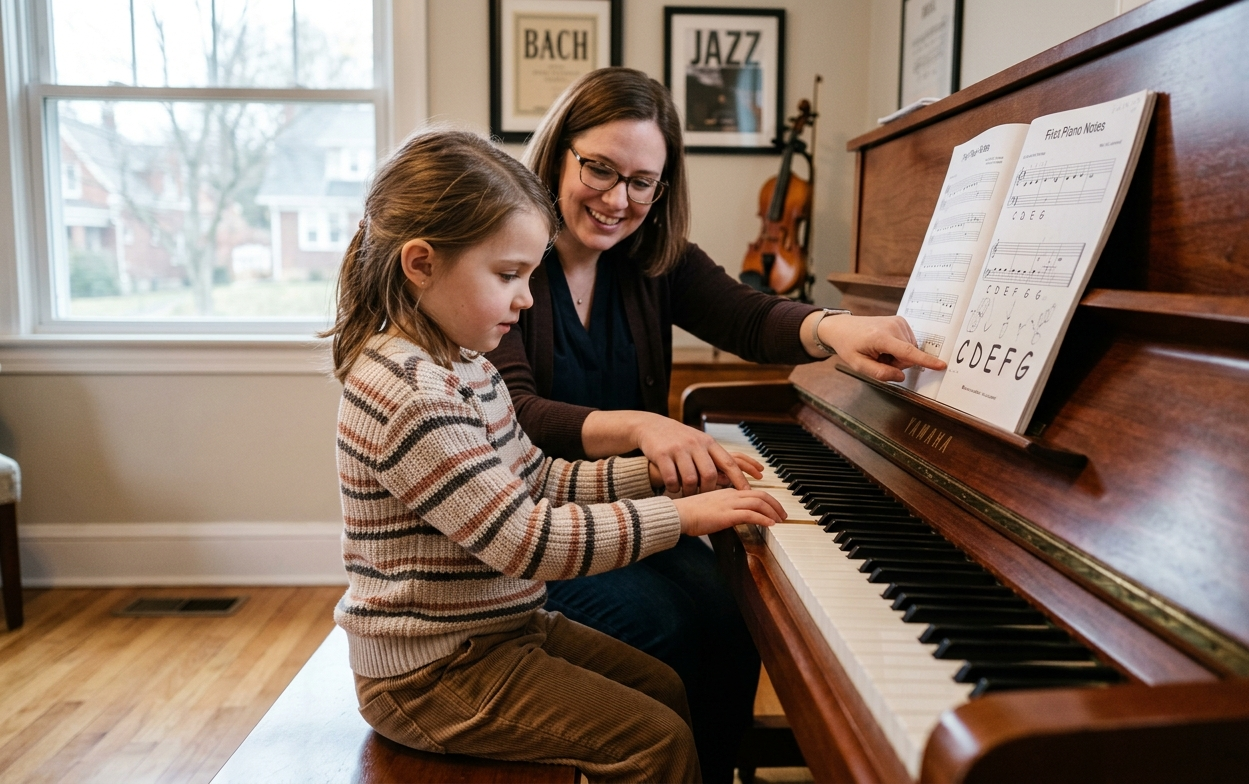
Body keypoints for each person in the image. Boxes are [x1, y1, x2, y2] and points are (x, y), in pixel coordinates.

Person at [486, 67, 946, 782]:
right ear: (555, 153)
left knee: (733, 606)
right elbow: (519, 416)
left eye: (643, 181)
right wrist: (643, 426)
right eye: (599, 170)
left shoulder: (654, 260)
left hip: (630, 503)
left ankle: (712, 770)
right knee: (662, 626)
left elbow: (748, 315)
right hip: (535, 525)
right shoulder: (506, 262)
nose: (618, 199)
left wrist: (834, 328)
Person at [323, 128, 786, 783]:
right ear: (421, 262)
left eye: (530, 275)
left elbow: (536, 478)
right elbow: (526, 541)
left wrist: (654, 477)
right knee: (656, 741)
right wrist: (681, 518)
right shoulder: (408, 392)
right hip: (431, 670)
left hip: (497, 631)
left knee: (667, 689)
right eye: (508, 275)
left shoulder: (465, 366)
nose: (526, 298)